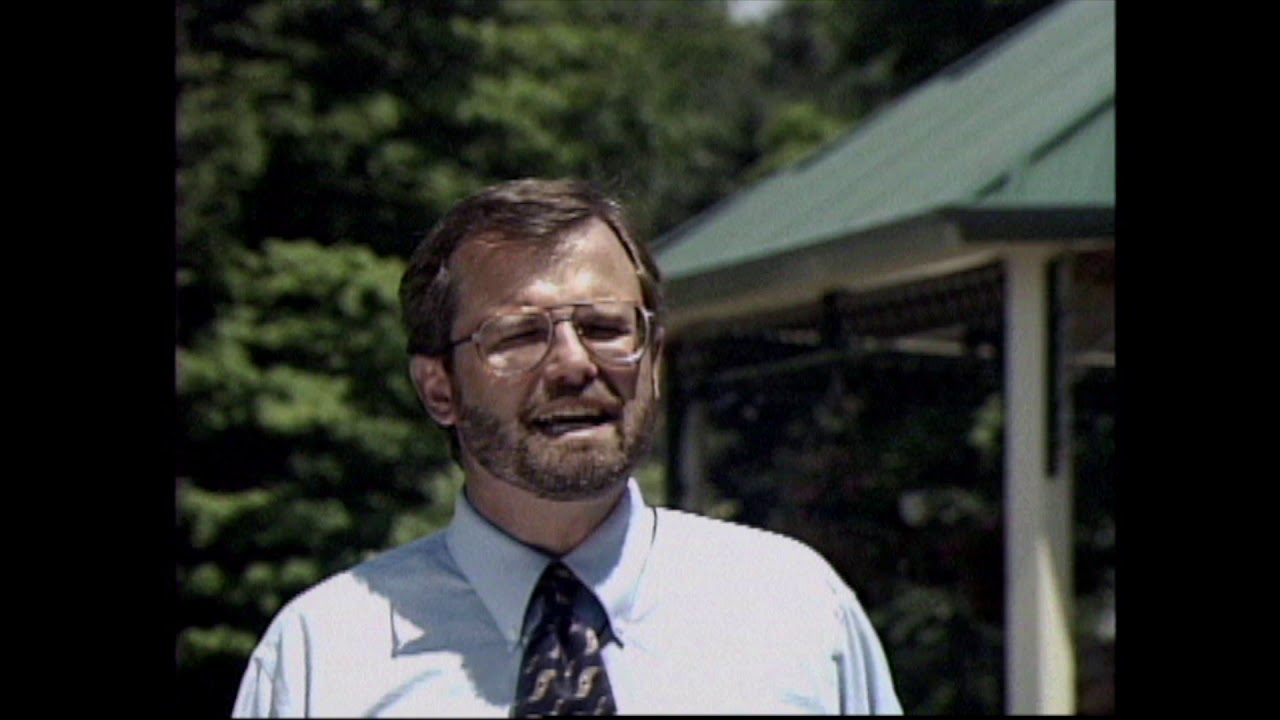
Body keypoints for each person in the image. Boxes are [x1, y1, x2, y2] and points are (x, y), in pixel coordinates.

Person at [231, 178, 902, 716]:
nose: (574, 364)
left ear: (654, 360)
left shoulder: (795, 612)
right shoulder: (323, 659)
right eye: (519, 336)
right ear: (439, 389)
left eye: (605, 327)